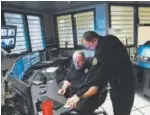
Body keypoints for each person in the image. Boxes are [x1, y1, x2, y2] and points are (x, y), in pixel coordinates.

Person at [67, 31, 135, 115]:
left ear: (95, 40)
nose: (90, 49)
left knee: (120, 111)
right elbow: (102, 70)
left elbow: (95, 75)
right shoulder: (110, 38)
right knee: (123, 110)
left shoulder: (102, 50)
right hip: (126, 82)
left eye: (89, 46)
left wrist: (79, 95)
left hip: (121, 87)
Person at [58, 50, 100, 115]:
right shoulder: (74, 64)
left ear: (84, 59)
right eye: (75, 61)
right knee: (61, 107)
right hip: (75, 94)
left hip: (88, 96)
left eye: (78, 62)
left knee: (80, 110)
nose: (76, 64)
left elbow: (93, 89)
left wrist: (78, 97)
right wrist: (64, 88)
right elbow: (68, 79)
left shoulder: (92, 69)